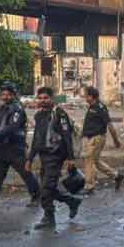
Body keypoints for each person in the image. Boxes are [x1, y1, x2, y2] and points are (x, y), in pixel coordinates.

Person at [26, 86, 81, 230]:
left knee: (46, 188)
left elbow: (66, 136)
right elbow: (37, 139)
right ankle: (72, 201)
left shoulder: (59, 114)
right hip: (44, 156)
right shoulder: (39, 115)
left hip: (56, 156)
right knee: (49, 187)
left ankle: (48, 218)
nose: (43, 101)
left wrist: (70, 158)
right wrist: (30, 159)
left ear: (52, 99)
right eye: (41, 98)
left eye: (46, 98)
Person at [0, 82, 40, 211]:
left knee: (26, 174)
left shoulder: (17, 109)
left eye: (8, 95)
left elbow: (11, 128)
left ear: (13, 95)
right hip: (1, 148)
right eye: (3, 94)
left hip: (15, 148)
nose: (5, 97)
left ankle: (37, 196)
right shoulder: (4, 108)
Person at [81, 87, 124, 194]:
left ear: (91, 96)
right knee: (95, 161)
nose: (85, 98)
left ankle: (89, 186)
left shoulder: (100, 108)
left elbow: (110, 125)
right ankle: (116, 176)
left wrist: (116, 140)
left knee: (88, 160)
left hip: (97, 138)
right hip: (92, 138)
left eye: (86, 95)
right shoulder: (92, 107)